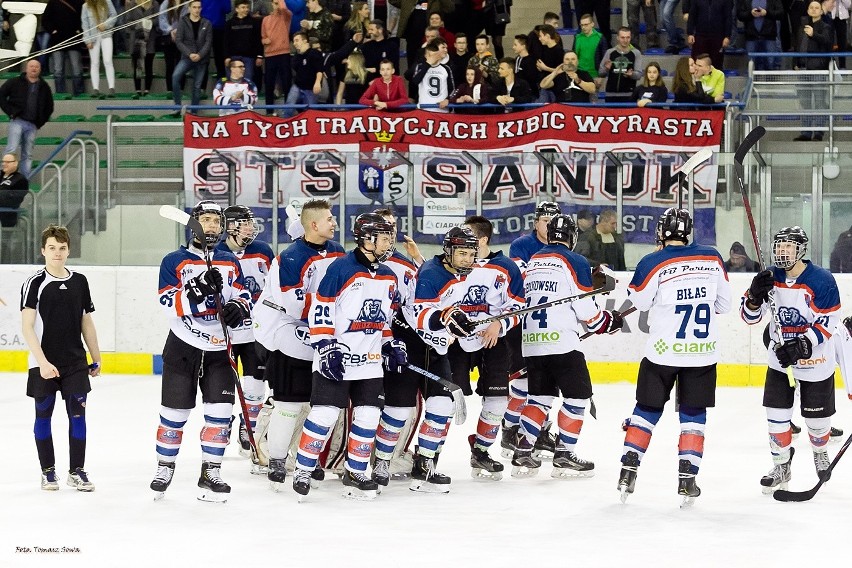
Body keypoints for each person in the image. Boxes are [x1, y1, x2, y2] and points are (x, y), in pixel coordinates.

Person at [618, 208, 731, 505]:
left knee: (646, 409)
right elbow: (724, 304)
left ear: (662, 233)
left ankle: (628, 470)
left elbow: (640, 302)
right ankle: (687, 479)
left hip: (662, 353)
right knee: (693, 415)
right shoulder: (712, 257)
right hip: (701, 354)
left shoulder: (652, 261)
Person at [291, 213, 404, 501]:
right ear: (366, 238)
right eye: (384, 236)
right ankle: (303, 469)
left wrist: (391, 345)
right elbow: (320, 311)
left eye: (390, 235)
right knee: (325, 414)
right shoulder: (341, 268)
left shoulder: (389, 275)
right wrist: (326, 347)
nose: (389, 241)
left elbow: (385, 320)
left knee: (368, 416)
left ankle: (356, 471)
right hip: (337, 358)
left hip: (369, 362)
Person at [150, 201, 251, 502]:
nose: (210, 226)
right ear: (193, 224)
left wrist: (238, 306)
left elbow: (243, 292)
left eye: (215, 221)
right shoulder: (173, 260)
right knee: (174, 413)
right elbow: (166, 302)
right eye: (204, 220)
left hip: (220, 348)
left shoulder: (229, 261)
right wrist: (196, 290)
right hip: (183, 345)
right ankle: (164, 467)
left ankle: (211, 472)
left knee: (220, 414)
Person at [512, 214, 623, 478]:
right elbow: (587, 312)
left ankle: (523, 453)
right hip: (562, 344)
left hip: (533, 343)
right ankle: (563, 456)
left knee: (539, 398)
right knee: (577, 397)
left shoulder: (534, 261)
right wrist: (608, 321)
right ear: (572, 237)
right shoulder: (574, 260)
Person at [253, 199, 344, 492]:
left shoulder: (338, 252)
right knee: (288, 404)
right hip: (290, 336)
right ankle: (278, 458)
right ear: (313, 224)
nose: (334, 223)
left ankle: (308, 458)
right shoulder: (290, 258)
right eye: (329, 219)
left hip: (324, 338)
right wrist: (332, 309)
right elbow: (294, 305)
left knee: (318, 405)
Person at [741, 227, 841, 493]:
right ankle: (781, 465)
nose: (783, 252)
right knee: (776, 417)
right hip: (780, 361)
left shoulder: (822, 279)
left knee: (817, 421)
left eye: (789, 247)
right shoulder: (769, 277)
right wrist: (753, 297)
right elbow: (750, 317)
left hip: (815, 362)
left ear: (801, 250)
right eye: (779, 246)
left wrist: (802, 344)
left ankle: (820, 452)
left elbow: (829, 321)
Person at [441, 216, 525, 481]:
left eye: (468, 238)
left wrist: (499, 323)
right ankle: (427, 456)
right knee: (441, 402)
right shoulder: (452, 264)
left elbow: (518, 306)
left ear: (483, 240)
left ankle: (481, 451)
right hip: (456, 343)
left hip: (492, 340)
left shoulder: (505, 267)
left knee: (498, 400)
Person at [21, 225, 101, 491]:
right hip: (43, 363)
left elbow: (86, 320)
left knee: (78, 417)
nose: (57, 253)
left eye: (62, 248)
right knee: (43, 416)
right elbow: (27, 326)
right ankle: (48, 471)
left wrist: (95, 355)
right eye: (52, 248)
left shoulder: (80, 281)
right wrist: (42, 363)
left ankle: (76, 471)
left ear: (69, 250)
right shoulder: (34, 283)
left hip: (75, 362)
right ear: (43, 251)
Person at [404, 226, 480, 492]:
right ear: (448, 251)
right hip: (412, 348)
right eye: (461, 253)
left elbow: (448, 313)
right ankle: (378, 463)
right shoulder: (431, 273)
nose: (467, 259)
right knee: (396, 411)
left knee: (441, 407)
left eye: (471, 253)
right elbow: (423, 315)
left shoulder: (459, 275)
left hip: (436, 352)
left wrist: (460, 322)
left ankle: (424, 464)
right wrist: (448, 318)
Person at [502, 201, 562, 459]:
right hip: (523, 324)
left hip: (550, 324)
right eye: (545, 221)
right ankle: (509, 429)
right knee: (524, 382)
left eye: (553, 222)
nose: (549, 227)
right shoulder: (521, 245)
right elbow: (526, 280)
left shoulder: (562, 245)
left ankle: (539, 430)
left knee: (546, 382)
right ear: (536, 222)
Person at [214, 206, 274, 463]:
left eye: (250, 223)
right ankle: (223, 421)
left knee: (255, 384)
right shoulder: (215, 254)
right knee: (222, 385)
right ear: (229, 227)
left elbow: (273, 286)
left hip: (255, 331)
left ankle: (248, 424)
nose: (250, 227)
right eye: (243, 223)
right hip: (224, 331)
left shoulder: (263, 251)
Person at [0, 59, 54, 179]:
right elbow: (1, 94)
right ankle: (3, 178)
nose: (34, 68)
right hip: (18, 120)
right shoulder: (14, 82)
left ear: (40, 69)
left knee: (28, 154)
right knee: (11, 149)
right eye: (31, 66)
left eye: (36, 67)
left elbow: (49, 106)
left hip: (32, 124)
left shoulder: (44, 86)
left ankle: (24, 181)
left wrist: (40, 121)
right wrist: (10, 112)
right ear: (26, 68)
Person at [793, 1, 833, 141]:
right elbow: (798, 46)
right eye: (812, 8)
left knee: (820, 101)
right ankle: (806, 132)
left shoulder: (825, 27)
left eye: (817, 8)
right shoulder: (802, 27)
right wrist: (796, 64)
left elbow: (827, 41)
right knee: (805, 102)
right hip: (803, 70)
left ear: (821, 11)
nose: (814, 10)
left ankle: (819, 132)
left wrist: (813, 34)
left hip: (818, 70)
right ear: (808, 10)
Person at [172, 0, 213, 111]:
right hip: (187, 57)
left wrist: (199, 55)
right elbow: (179, 41)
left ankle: (194, 111)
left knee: (197, 86)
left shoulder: (207, 23)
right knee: (175, 77)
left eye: (199, 7)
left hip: (202, 59)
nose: (197, 10)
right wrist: (189, 53)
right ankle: (177, 105)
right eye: (194, 7)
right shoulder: (183, 21)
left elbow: (208, 43)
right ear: (189, 8)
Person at [42, 0, 85, 97]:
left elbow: (84, 17)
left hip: (74, 39)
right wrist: (52, 31)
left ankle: (80, 95)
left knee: (77, 69)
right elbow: (45, 20)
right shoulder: (53, 2)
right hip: (57, 40)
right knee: (58, 70)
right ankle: (60, 94)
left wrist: (80, 31)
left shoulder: (79, 2)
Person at [261, 0, 293, 113]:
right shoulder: (265, 19)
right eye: (274, 3)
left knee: (286, 84)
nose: (277, 5)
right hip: (270, 55)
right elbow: (263, 37)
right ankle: (269, 112)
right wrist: (265, 40)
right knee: (269, 84)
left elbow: (284, 9)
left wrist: (280, 2)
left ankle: (288, 112)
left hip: (283, 53)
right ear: (271, 4)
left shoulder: (286, 16)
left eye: (278, 3)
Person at [81, 0, 118, 98]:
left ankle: (111, 88)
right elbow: (84, 24)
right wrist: (87, 40)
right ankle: (95, 89)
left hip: (106, 34)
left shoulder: (107, 2)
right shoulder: (85, 6)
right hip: (93, 37)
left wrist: (105, 25)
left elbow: (114, 15)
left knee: (108, 61)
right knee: (95, 62)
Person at [598, 26, 643, 104]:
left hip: (629, 95)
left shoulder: (636, 53)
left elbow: (639, 74)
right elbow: (601, 73)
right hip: (610, 95)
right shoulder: (610, 52)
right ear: (617, 37)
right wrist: (606, 69)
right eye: (623, 37)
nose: (625, 40)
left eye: (628, 37)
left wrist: (632, 74)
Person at [125, 0, 159, 98]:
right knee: (137, 67)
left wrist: (149, 23)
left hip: (150, 39)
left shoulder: (154, 4)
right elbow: (127, 21)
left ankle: (147, 90)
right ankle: (138, 90)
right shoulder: (132, 4)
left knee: (149, 66)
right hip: (136, 40)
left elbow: (158, 20)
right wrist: (140, 24)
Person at [224, 0, 264, 83]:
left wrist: (259, 56)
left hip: (249, 57)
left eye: (247, 7)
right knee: (232, 81)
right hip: (233, 56)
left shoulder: (254, 22)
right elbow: (226, 41)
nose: (246, 9)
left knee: (247, 81)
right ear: (236, 9)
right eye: (243, 7)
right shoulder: (229, 23)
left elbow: (258, 39)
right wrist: (226, 56)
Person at [285, 30, 324, 115]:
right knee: (288, 107)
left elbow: (319, 70)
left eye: (297, 40)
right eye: (293, 41)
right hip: (298, 86)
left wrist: (317, 82)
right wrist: (300, 54)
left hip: (311, 88)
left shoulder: (315, 53)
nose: (294, 43)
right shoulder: (296, 57)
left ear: (305, 41)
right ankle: (285, 124)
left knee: (311, 112)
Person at [410, 38, 454, 112]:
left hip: (442, 111)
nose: (446, 50)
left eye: (446, 48)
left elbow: (452, 89)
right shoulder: (420, 66)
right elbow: (415, 81)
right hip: (424, 110)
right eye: (443, 47)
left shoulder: (446, 68)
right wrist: (428, 64)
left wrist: (448, 100)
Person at [737, 0, 783, 71]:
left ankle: (769, 81)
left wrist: (767, 13)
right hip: (751, 37)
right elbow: (740, 15)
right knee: (751, 66)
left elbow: (780, 13)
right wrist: (750, 13)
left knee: (770, 64)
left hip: (769, 37)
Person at [687, 0, 733, 70]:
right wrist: (690, 33)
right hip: (700, 36)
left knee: (717, 65)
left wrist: (727, 36)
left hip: (718, 37)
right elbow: (692, 16)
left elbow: (728, 18)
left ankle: (716, 80)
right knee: (698, 63)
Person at [573, 13, 607, 80]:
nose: (583, 27)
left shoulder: (600, 38)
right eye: (582, 25)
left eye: (586, 25)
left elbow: (604, 58)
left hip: (595, 75)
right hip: (579, 74)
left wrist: (601, 76)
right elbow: (573, 55)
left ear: (592, 24)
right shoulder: (577, 37)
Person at [0, 153, 28, 228]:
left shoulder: (21, 180)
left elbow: (15, 200)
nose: (4, 164)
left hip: (6, 217)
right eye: (3, 161)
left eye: (7, 162)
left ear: (15, 163)